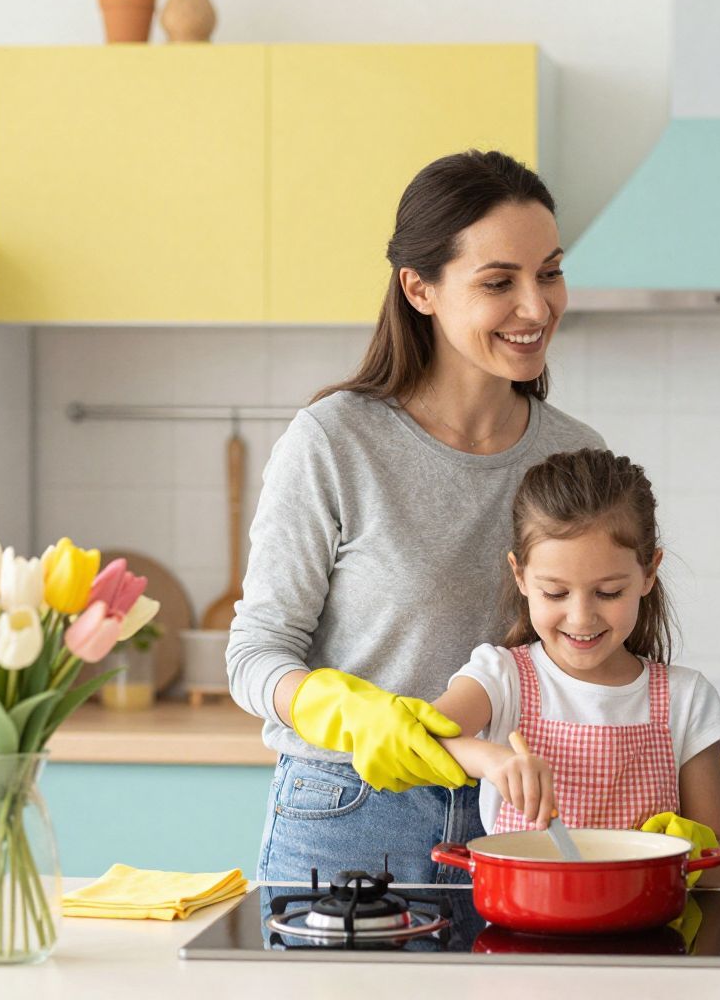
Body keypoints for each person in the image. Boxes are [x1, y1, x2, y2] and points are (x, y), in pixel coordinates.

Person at [227, 150, 605, 885]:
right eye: (499, 282)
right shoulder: (336, 441)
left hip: (528, 820)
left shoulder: (576, 453)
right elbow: (255, 654)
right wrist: (352, 714)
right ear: (420, 289)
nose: (537, 306)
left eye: (550, 272)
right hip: (351, 818)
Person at [430, 448, 720, 887]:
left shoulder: (685, 698)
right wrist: (491, 761)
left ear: (649, 573)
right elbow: (425, 737)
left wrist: (689, 849)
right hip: (524, 931)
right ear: (520, 576)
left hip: (647, 937)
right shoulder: (503, 678)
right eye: (555, 593)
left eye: (609, 592)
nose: (581, 618)